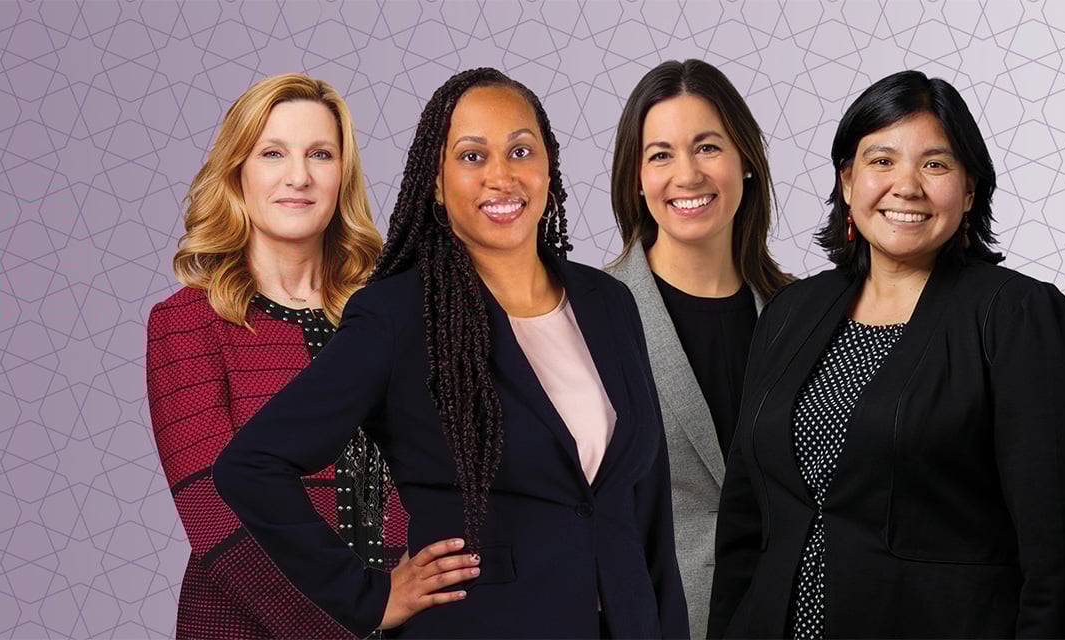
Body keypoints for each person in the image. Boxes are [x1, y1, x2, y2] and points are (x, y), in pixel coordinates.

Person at [213, 68, 688, 638]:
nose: (501, 176)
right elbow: (251, 466)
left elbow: (650, 510)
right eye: (471, 156)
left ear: (548, 166)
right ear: (435, 183)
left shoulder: (608, 303)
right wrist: (366, 597)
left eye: (520, 150)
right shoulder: (397, 317)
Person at [708, 70, 1065, 638]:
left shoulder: (1020, 317)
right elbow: (746, 525)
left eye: (935, 164)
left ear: (969, 189)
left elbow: (1057, 552)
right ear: (847, 181)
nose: (907, 185)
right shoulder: (791, 311)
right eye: (881, 160)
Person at [145, 73, 407, 639]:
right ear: (238, 172)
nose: (299, 176)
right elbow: (218, 512)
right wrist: (361, 615)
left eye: (320, 153)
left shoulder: (393, 313)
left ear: (344, 175)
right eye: (272, 153)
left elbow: (434, 473)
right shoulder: (187, 323)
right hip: (250, 626)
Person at [604, 58, 791, 638]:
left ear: (746, 163)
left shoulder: (801, 315)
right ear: (636, 177)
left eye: (707, 147)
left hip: (790, 616)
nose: (687, 175)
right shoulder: (590, 316)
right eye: (660, 154)